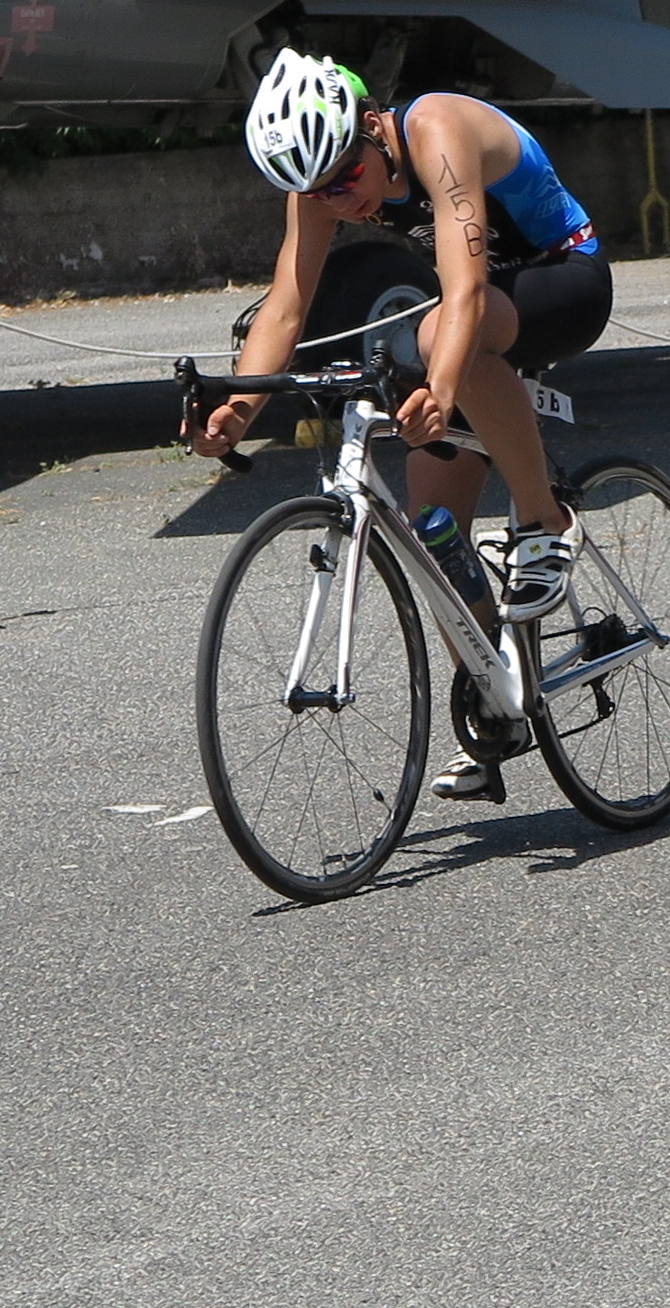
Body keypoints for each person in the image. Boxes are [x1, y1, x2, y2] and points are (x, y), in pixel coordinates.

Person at [189, 50, 615, 800]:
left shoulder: (437, 129)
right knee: (434, 527)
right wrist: (238, 406)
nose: (339, 201)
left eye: (347, 179)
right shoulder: (321, 181)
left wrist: (441, 386)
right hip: (475, 306)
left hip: (562, 276)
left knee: (426, 341)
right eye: (317, 192)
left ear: (370, 127)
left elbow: (467, 287)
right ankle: (495, 699)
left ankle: (548, 520)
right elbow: (287, 306)